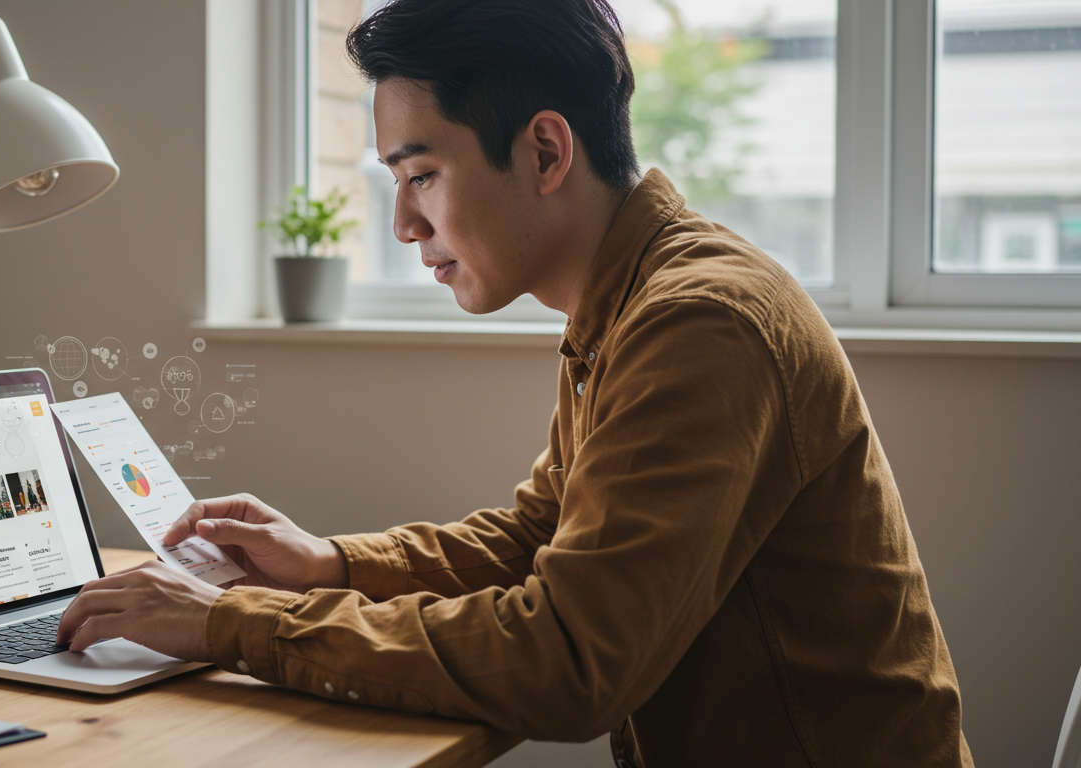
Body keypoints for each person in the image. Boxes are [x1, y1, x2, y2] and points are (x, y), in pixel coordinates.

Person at [55, 1, 971, 765]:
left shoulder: (701, 322)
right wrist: (330, 564)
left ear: (544, 152)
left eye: (421, 174)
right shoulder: (630, 297)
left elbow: (568, 662)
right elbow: (542, 535)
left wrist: (231, 623)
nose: (407, 223)